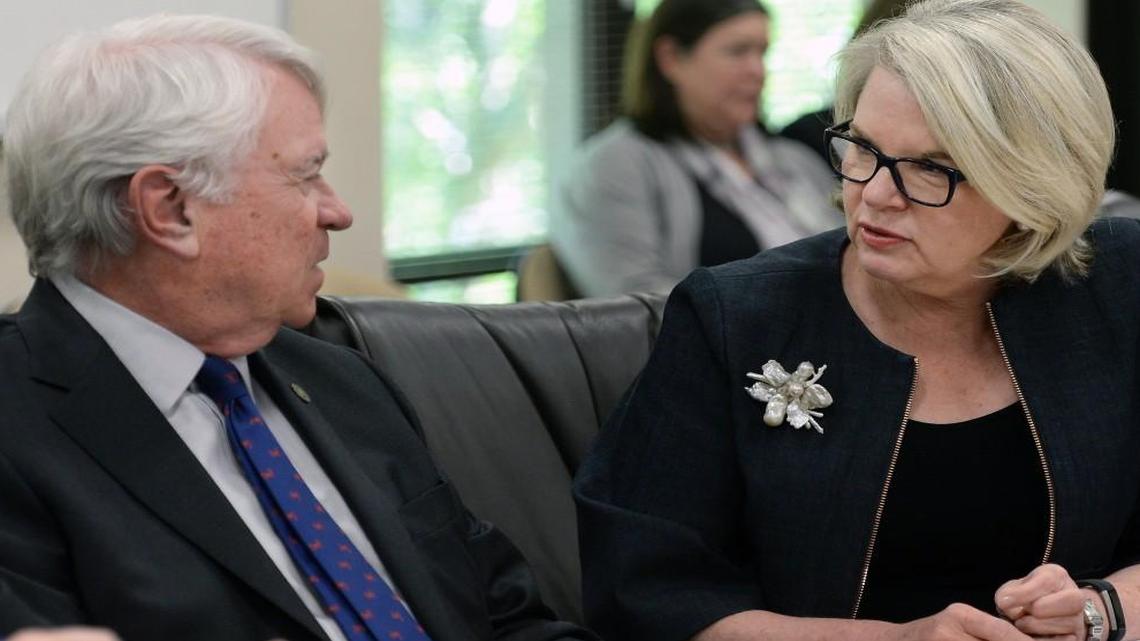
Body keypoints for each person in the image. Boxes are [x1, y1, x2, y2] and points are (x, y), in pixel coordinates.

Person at [0, 14, 594, 641]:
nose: (338, 212)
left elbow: (508, 621)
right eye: (305, 174)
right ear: (171, 209)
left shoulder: (343, 380)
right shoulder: (16, 425)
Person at [574, 1, 1139, 641]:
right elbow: (646, 596)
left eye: (930, 167)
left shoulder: (1116, 283)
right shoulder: (734, 318)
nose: (873, 193)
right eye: (862, 149)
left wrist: (1101, 610)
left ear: (1033, 185)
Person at [551, 0, 841, 298]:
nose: (757, 70)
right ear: (671, 58)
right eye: (738, 51)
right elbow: (634, 304)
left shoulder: (793, 158)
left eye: (762, 52)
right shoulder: (615, 165)